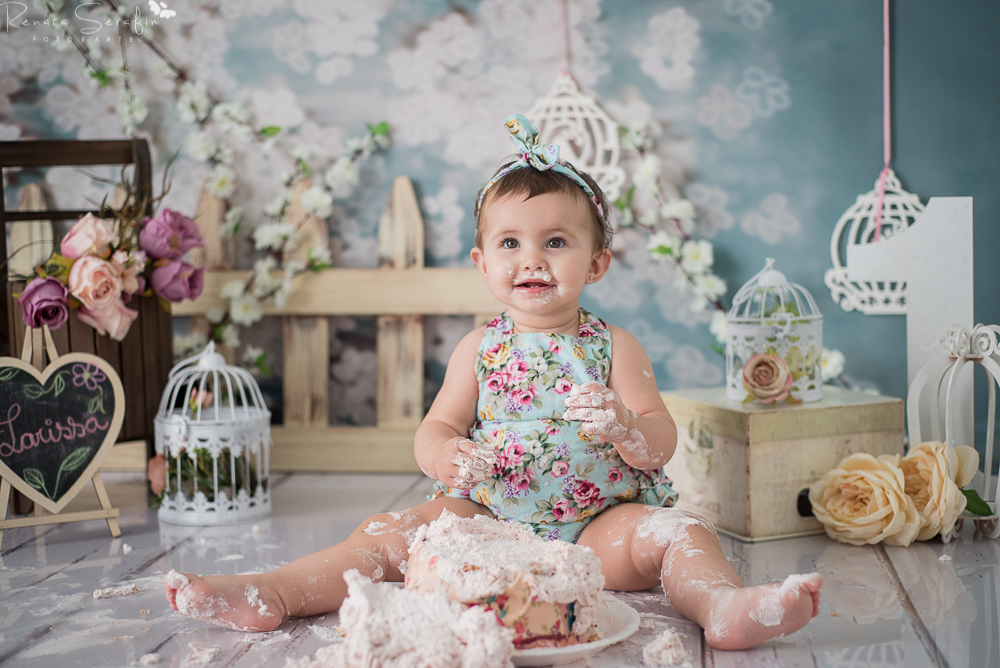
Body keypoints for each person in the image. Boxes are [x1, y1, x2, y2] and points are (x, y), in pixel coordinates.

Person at [165, 114, 821, 650]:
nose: (531, 257)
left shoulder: (616, 346)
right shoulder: (479, 349)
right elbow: (437, 428)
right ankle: (273, 592)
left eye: (555, 242)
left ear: (596, 263)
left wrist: (626, 427)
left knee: (680, 532)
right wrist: (447, 453)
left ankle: (725, 606)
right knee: (391, 531)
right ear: (482, 262)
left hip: (598, 526)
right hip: (487, 520)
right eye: (510, 243)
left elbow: (660, 438)